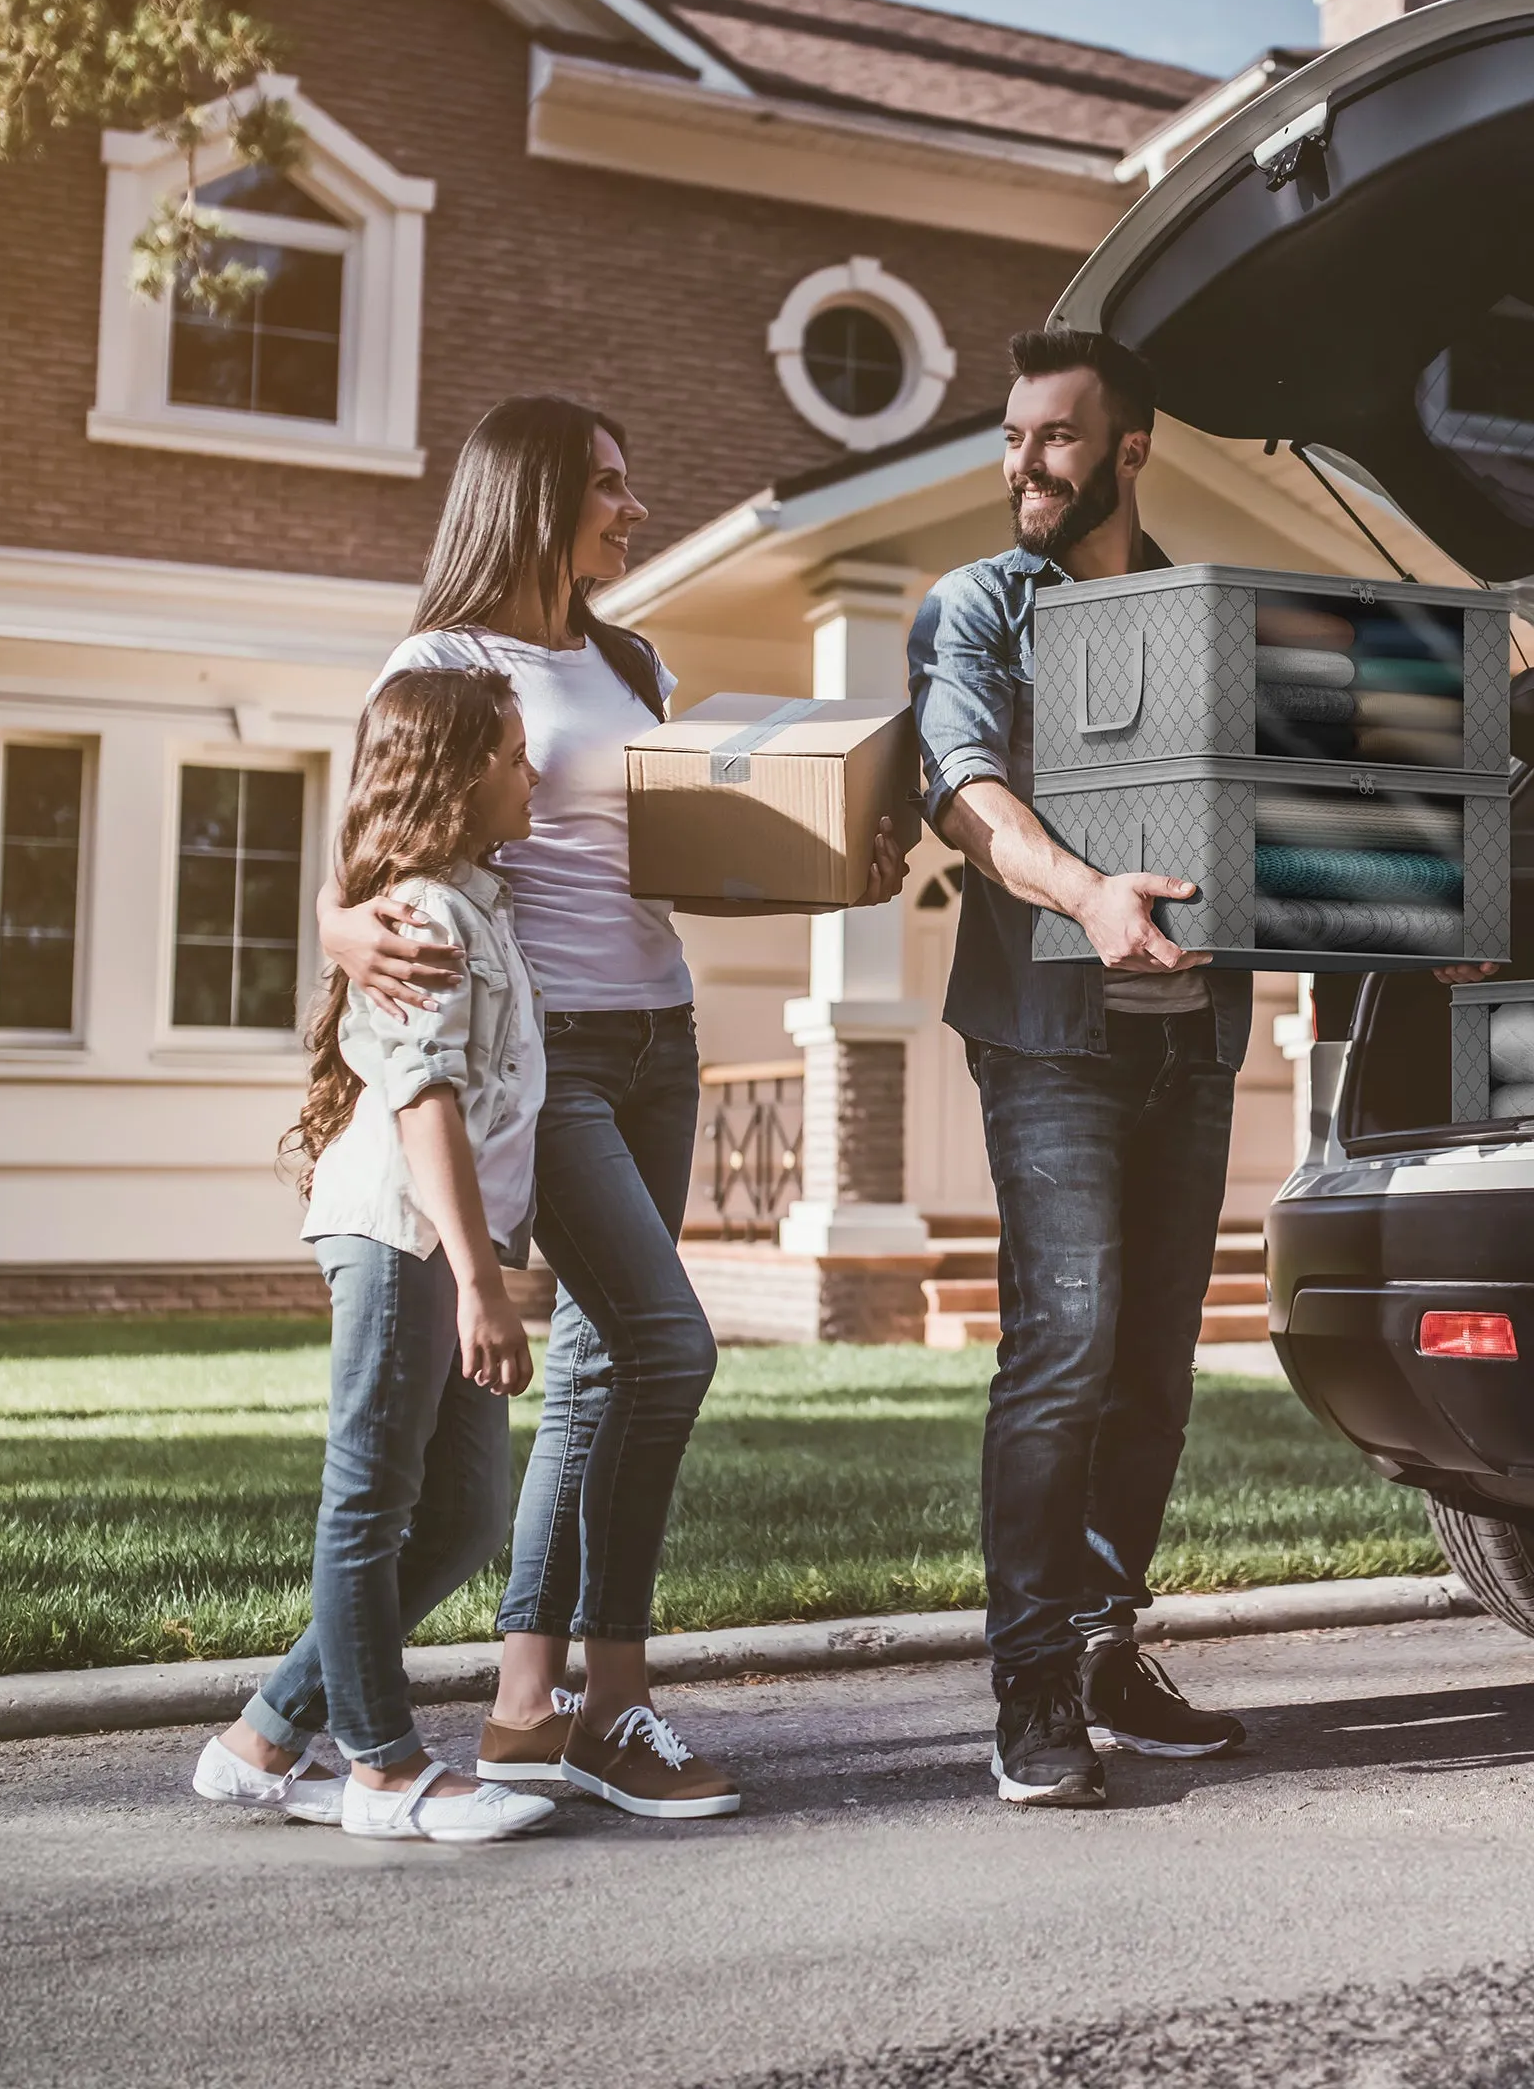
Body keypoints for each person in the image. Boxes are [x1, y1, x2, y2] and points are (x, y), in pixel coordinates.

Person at [321, 395, 905, 1820]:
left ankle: (531, 1705)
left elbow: (659, 862)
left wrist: (834, 870)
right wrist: (340, 938)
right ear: (530, 495)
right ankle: (614, 1700)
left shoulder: (629, 658)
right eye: (607, 487)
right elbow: (374, 851)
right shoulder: (444, 660)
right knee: (668, 1347)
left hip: (660, 1034)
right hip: (551, 1055)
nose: (632, 511)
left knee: (599, 1368)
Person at [906, 329, 1254, 1808]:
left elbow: (1294, 801)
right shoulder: (980, 606)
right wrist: (1089, 890)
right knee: (1066, 1350)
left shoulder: (1210, 616)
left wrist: (1415, 923)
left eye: (1055, 438)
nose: (1023, 465)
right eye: (1010, 437)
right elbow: (966, 787)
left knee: (1155, 1369)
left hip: (1195, 1044)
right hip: (1052, 1042)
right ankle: (1032, 1682)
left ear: (1129, 452)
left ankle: (1110, 1644)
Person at [194, 667, 557, 1843]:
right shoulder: (423, 918)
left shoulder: (477, 900)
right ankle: (385, 1769)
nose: (533, 773)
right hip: (402, 1232)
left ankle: (262, 1740)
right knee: (372, 1501)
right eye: (513, 755)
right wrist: (479, 1280)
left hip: (441, 1238)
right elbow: (423, 1105)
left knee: (460, 1517)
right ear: (458, 778)